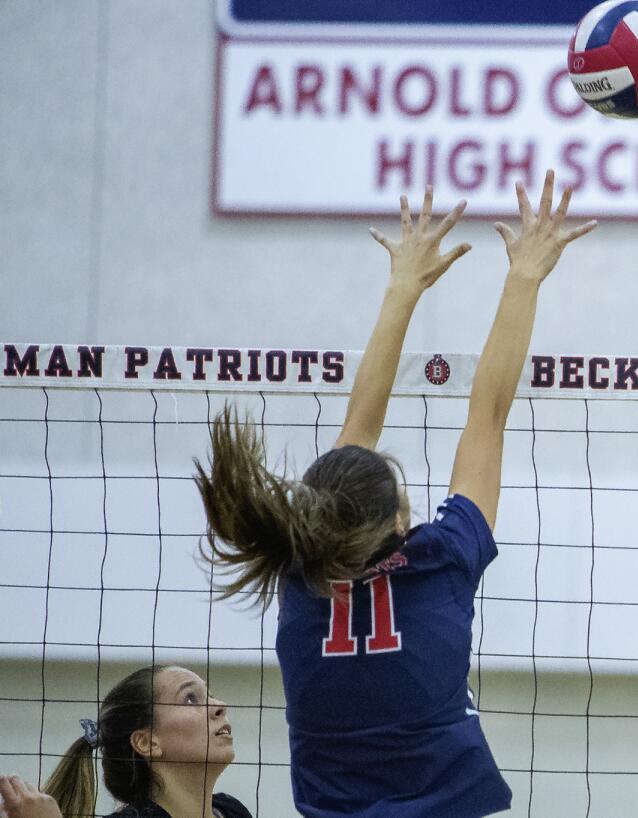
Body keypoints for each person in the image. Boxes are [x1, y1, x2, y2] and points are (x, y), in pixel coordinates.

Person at [193, 173, 595, 817]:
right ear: (401, 518)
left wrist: (402, 288)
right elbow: (487, 413)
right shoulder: (440, 559)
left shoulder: (301, 567)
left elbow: (362, 439)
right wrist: (524, 277)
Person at [0, 665, 249, 818]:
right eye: (191, 699)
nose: (219, 706)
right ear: (147, 742)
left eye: (211, 695)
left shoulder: (230, 810)